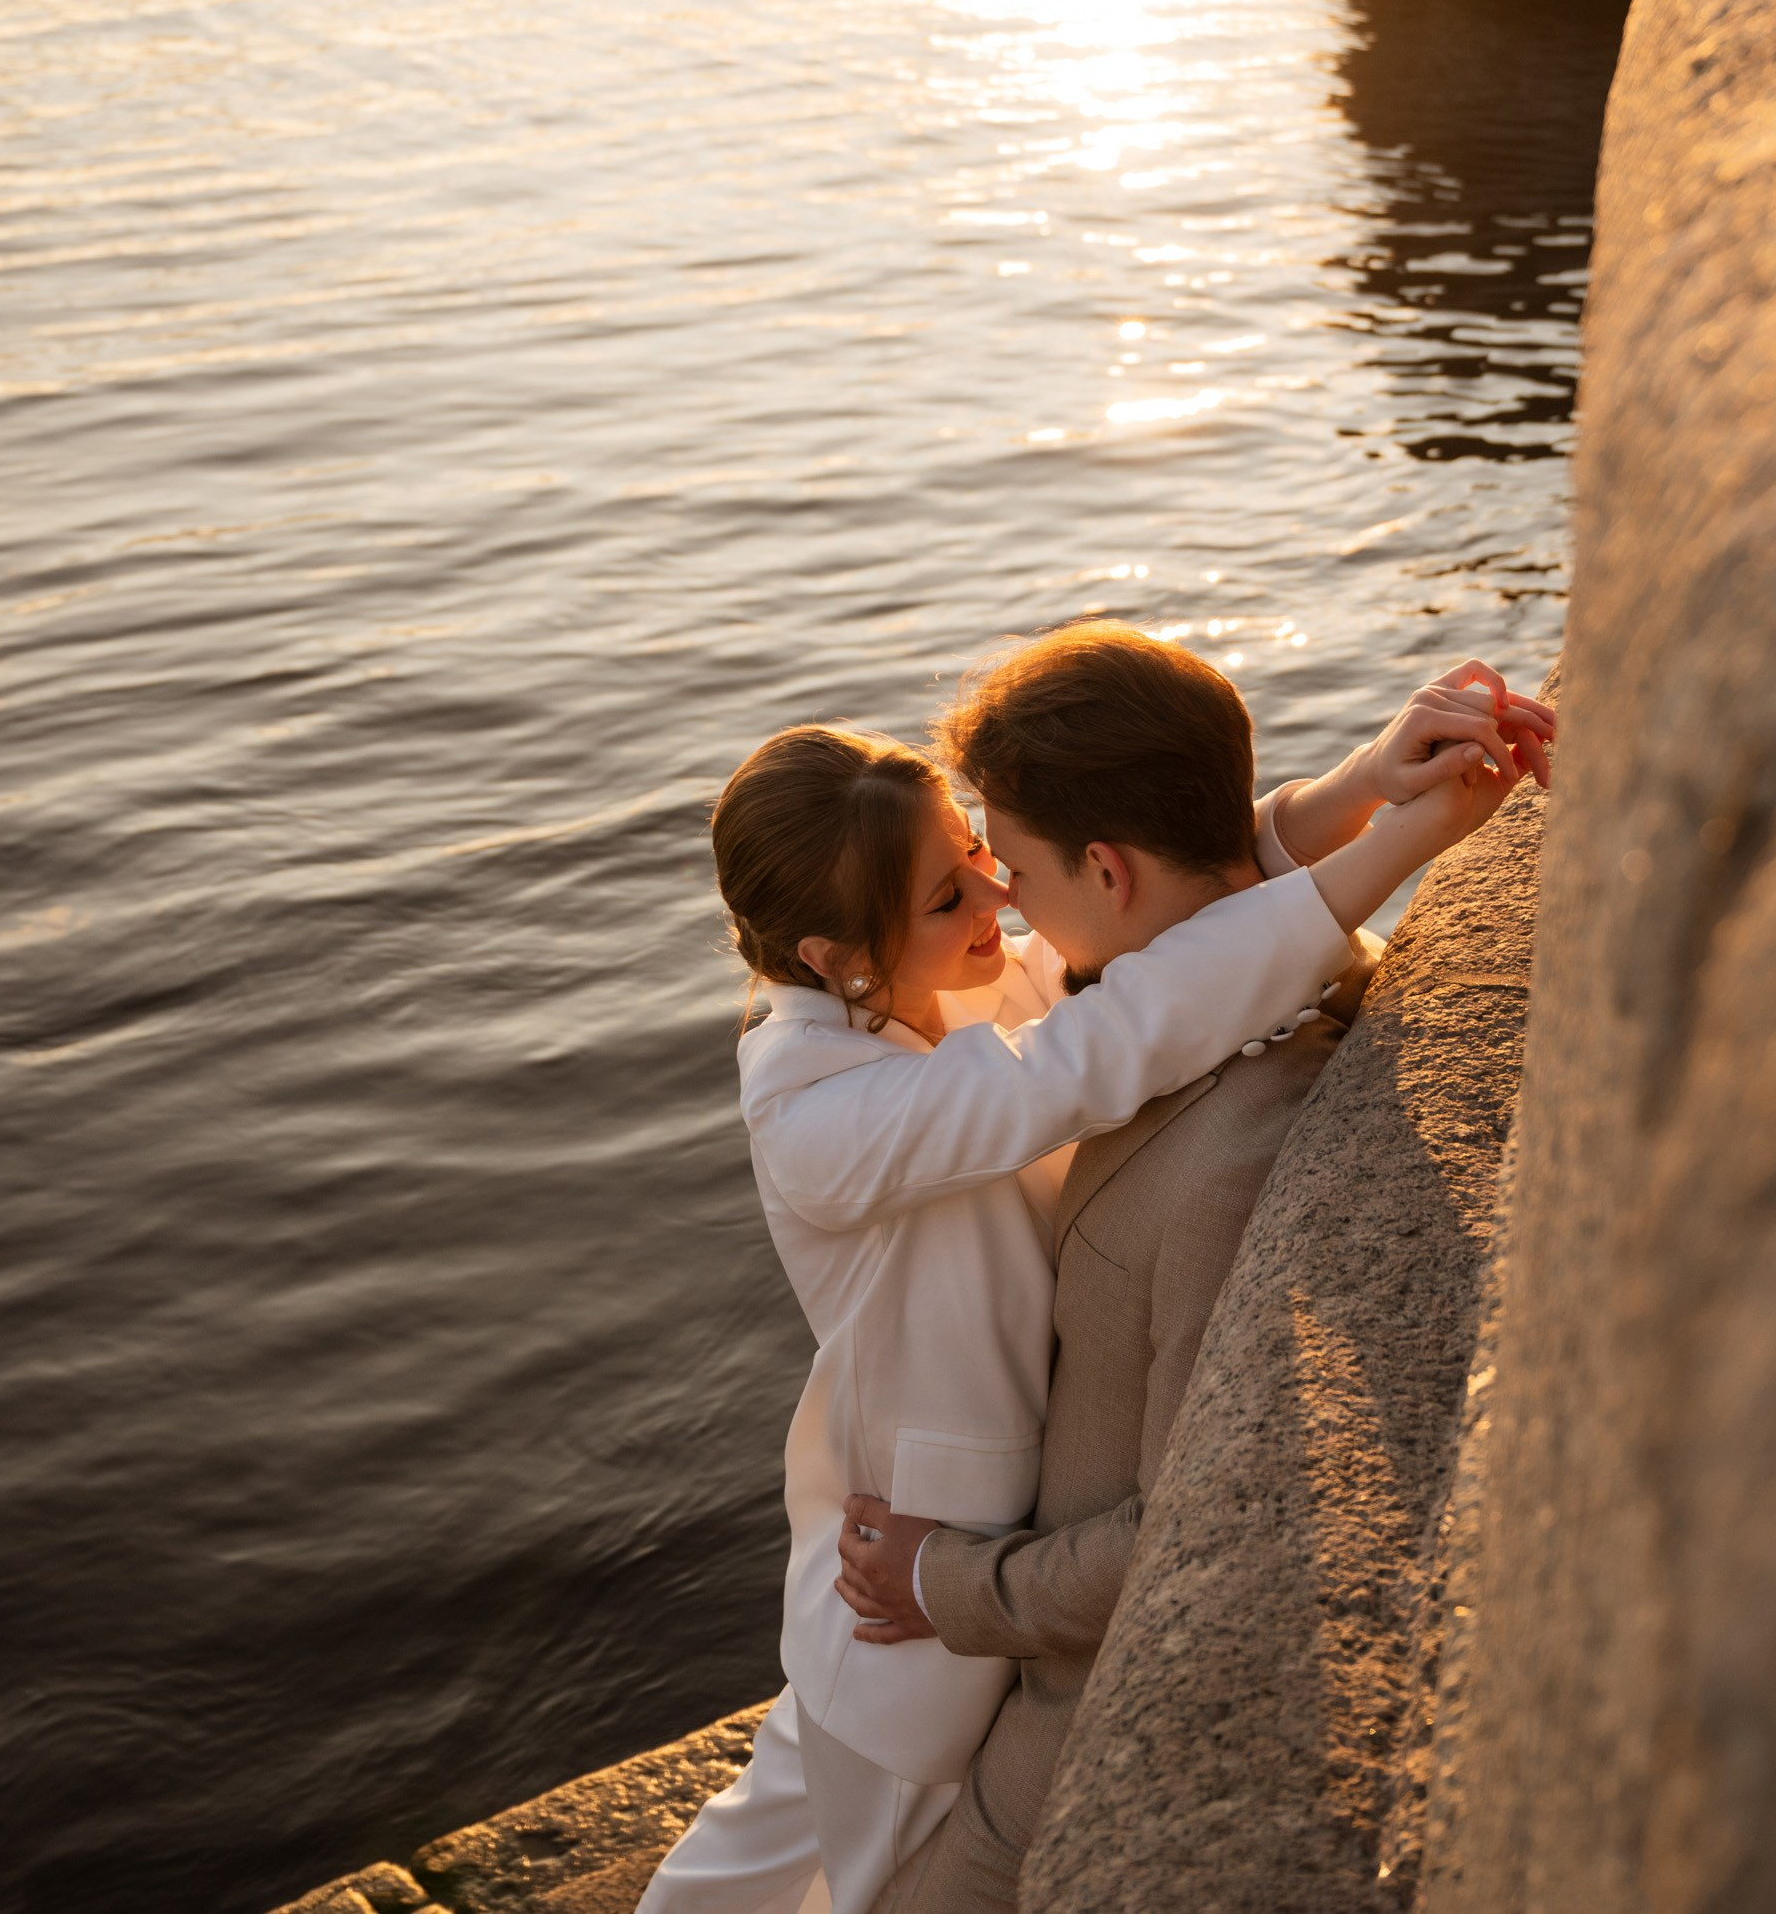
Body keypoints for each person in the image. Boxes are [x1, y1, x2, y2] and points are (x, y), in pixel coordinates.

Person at [634, 641, 1544, 1914]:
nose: (995, 898)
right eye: (948, 891)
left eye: (978, 852)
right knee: (842, 1871)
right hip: (905, 1572)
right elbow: (1111, 1029)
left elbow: (1160, 917)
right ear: (837, 955)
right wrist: (1397, 843)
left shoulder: (931, 985)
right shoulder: (817, 1117)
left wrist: (1354, 787)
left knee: (757, 1832)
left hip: (943, 1551)